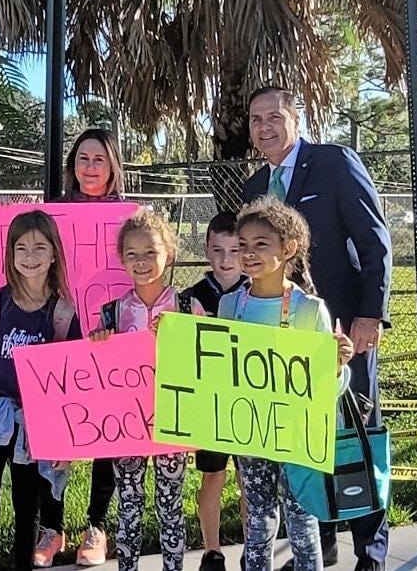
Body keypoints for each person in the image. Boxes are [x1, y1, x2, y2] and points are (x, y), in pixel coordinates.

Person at [242, 86, 392, 571]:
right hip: (282, 342)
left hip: (344, 333)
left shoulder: (334, 163)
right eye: (255, 119)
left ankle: (371, 553)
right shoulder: (253, 188)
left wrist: (371, 314)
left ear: (297, 119)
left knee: (356, 434)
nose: (264, 127)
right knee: (305, 441)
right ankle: (320, 546)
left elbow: (374, 241)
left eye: (274, 116)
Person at [220, 198, 355, 571]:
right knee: (258, 517)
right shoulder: (230, 307)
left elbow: (329, 386)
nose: (248, 253)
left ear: (288, 249)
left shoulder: (309, 309)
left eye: (261, 244)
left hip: (297, 434)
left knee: (301, 517)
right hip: (249, 431)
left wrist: (337, 366)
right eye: (242, 244)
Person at [0, 210, 83, 571]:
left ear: (55, 253)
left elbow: (69, 383)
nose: (30, 256)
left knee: (28, 507)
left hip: (35, 426)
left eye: (40, 247)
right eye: (21, 247)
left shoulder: (63, 315)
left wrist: (63, 441)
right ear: (9, 254)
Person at [36, 128, 125, 568]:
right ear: (72, 165)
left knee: (108, 429)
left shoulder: (128, 217)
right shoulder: (50, 214)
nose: (90, 168)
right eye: (83, 159)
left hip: (110, 334)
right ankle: (52, 526)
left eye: (100, 160)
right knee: (57, 429)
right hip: (59, 329)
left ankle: (97, 525)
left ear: (113, 168)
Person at [87, 210, 189, 571]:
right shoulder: (113, 312)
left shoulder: (188, 307)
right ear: (122, 260)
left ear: (169, 254)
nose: (142, 262)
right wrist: (100, 339)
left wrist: (180, 333)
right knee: (128, 504)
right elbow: (97, 368)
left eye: (151, 252)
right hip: (127, 428)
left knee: (170, 503)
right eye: (132, 254)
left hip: (174, 424)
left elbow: (206, 361)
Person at [177, 212, 249, 571]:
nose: (225, 260)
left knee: (250, 477)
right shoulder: (189, 299)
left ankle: (256, 546)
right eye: (217, 250)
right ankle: (212, 551)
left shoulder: (260, 293)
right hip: (210, 404)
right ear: (206, 249)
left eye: (234, 250)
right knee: (213, 475)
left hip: (251, 403)